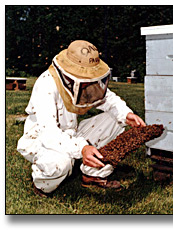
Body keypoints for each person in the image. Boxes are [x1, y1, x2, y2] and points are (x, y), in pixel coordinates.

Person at [17, 40, 146, 197]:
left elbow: (107, 98)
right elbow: (49, 134)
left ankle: (92, 174)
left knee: (116, 120)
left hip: (73, 133)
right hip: (42, 139)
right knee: (59, 163)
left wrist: (126, 114)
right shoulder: (45, 85)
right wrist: (83, 148)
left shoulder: (82, 79)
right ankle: (43, 184)